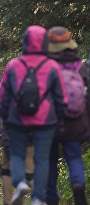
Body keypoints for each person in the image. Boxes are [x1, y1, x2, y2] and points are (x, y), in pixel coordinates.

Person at [0, 25, 67, 205]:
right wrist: (60, 120)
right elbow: (61, 97)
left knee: (17, 154)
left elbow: (4, 96)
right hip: (45, 120)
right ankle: (38, 198)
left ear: (25, 42)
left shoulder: (13, 65)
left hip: (18, 118)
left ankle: (20, 182)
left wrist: (5, 118)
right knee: (42, 159)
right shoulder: (52, 66)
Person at [44, 27, 89, 205]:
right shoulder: (81, 66)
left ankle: (51, 197)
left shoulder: (46, 66)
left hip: (51, 120)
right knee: (75, 157)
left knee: (50, 160)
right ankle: (78, 185)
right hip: (75, 121)